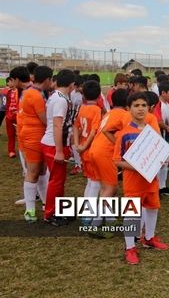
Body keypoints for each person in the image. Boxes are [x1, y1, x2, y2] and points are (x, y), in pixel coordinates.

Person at [114, 92, 169, 265]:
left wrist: (160, 161)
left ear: (149, 108)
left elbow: (159, 153)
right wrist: (137, 166)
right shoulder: (124, 134)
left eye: (143, 105)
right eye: (136, 105)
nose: (140, 109)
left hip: (151, 180)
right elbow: (117, 160)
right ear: (129, 109)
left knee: (152, 207)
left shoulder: (151, 132)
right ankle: (130, 247)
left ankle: (149, 237)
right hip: (133, 182)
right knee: (132, 214)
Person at [88, 88, 130, 237]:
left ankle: (110, 219)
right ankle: (95, 224)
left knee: (106, 187)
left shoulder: (109, 113)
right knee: (110, 189)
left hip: (95, 150)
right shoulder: (124, 115)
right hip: (105, 153)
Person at [40, 69, 76, 226]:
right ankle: (50, 213)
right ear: (72, 85)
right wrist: (60, 151)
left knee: (59, 180)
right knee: (56, 180)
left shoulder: (57, 96)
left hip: (55, 143)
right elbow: (57, 125)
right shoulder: (61, 100)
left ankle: (59, 210)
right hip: (54, 145)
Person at [19, 66, 53, 222]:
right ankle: (30, 210)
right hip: (33, 137)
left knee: (42, 171)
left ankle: (46, 203)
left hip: (37, 135)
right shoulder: (35, 95)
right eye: (51, 80)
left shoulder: (32, 92)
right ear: (46, 80)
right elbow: (44, 119)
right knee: (33, 172)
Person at [72, 80, 102, 211]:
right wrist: (84, 147)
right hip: (91, 150)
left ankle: (86, 209)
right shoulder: (97, 110)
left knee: (90, 180)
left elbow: (75, 127)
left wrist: (78, 145)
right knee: (95, 182)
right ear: (99, 96)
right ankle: (88, 212)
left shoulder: (82, 108)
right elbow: (94, 131)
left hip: (83, 149)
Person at [154, 81, 169, 196]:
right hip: (159, 137)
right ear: (163, 93)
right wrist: (167, 127)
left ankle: (162, 186)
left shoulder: (168, 105)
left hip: (167, 137)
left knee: (166, 162)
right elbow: (157, 120)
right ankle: (156, 188)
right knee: (158, 163)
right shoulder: (158, 104)